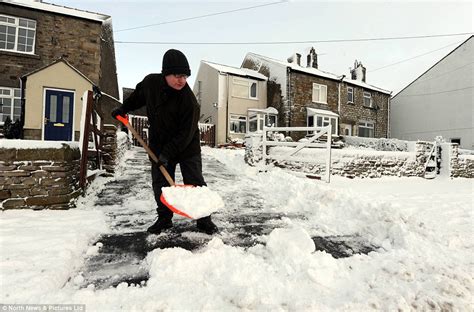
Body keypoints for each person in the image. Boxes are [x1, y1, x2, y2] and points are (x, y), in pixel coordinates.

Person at [111, 49, 218, 235]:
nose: (182, 81)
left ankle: (204, 219)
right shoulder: (151, 83)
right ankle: (164, 218)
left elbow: (186, 134)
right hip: (159, 143)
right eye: (177, 76)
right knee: (160, 182)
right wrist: (123, 108)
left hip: (186, 147)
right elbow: (137, 97)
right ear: (165, 73)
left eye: (185, 76)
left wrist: (167, 154)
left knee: (195, 182)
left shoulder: (190, 102)